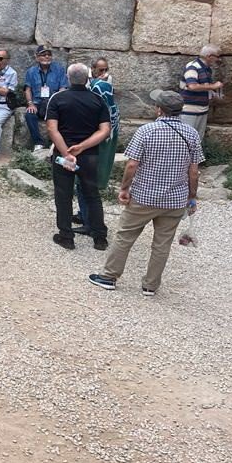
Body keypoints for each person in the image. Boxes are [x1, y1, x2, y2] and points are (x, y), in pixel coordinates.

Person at [89, 90, 204, 296]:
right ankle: (150, 286)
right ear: (180, 110)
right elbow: (193, 171)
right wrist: (191, 196)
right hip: (175, 200)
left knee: (125, 236)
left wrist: (124, 188)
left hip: (144, 196)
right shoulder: (192, 134)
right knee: (162, 244)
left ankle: (109, 277)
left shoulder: (146, 131)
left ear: (159, 109)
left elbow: (132, 165)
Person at [46, 63, 111, 251]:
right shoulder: (97, 100)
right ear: (87, 78)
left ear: (67, 77)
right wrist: (82, 147)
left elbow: (52, 128)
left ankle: (66, 236)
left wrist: (67, 152)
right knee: (92, 194)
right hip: (89, 154)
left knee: (63, 194)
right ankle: (99, 236)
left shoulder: (57, 99)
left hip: (63, 153)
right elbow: (105, 130)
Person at [73, 56, 121, 234]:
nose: (104, 73)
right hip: (96, 142)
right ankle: (83, 214)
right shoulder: (100, 88)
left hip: (94, 146)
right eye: (100, 70)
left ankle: (89, 223)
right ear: (92, 69)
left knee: (85, 184)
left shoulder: (100, 89)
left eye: (106, 69)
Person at [23, 45, 68, 150]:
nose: (47, 57)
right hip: (38, 102)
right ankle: (38, 143)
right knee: (29, 114)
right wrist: (30, 103)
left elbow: (63, 88)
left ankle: (56, 143)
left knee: (63, 113)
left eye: (49, 54)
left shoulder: (59, 69)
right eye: (43, 55)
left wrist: (57, 101)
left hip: (53, 102)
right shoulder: (31, 71)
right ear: (37, 57)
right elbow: (28, 89)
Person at [179, 44, 223, 138]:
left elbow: (204, 87)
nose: (218, 59)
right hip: (189, 111)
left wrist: (214, 95)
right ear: (209, 56)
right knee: (186, 138)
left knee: (198, 139)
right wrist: (214, 86)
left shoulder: (207, 69)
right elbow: (192, 86)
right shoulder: (193, 66)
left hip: (202, 110)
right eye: (217, 57)